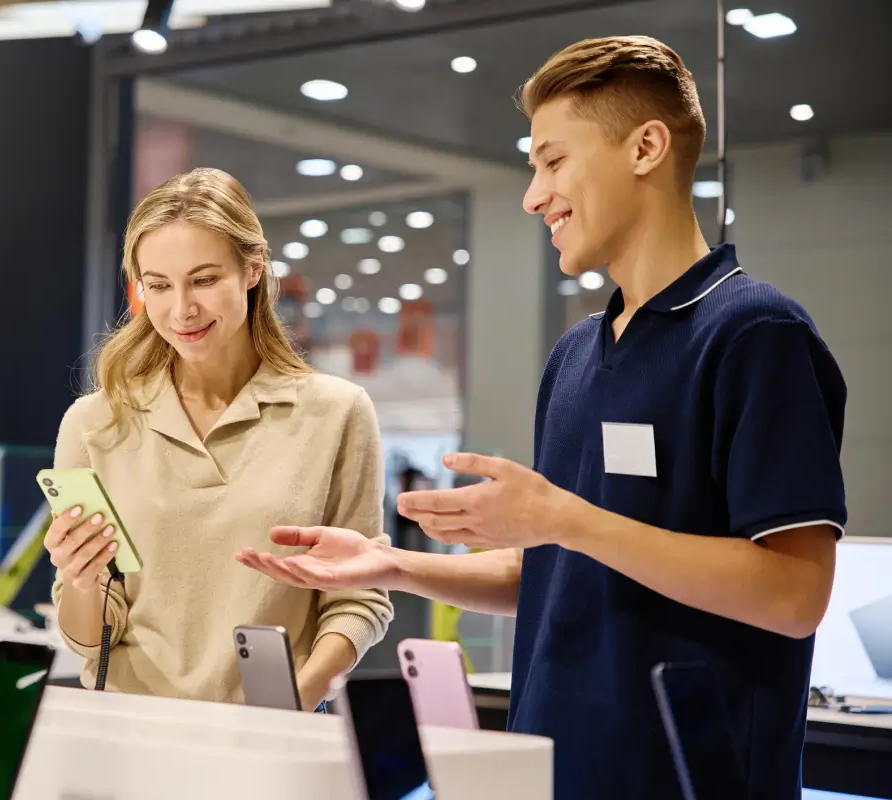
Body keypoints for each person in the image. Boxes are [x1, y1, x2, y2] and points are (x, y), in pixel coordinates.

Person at [238, 35, 845, 799]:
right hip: (548, 771)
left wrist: (566, 519)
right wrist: (391, 564)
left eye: (553, 161)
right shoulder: (576, 357)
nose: (533, 195)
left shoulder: (756, 334)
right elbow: (558, 574)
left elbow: (795, 597)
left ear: (646, 148)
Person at [44, 167, 393, 709]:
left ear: (253, 269)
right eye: (157, 286)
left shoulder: (337, 413)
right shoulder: (94, 423)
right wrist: (81, 581)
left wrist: (293, 703)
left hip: (274, 734)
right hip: (123, 733)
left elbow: (357, 599)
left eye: (204, 280)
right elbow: (90, 638)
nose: (181, 309)